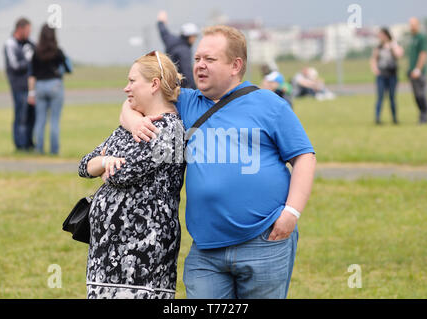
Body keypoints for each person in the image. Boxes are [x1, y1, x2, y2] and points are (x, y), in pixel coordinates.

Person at [120, 25, 316, 299]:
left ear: (235, 65)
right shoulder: (186, 102)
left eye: (209, 60)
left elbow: (304, 157)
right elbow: (135, 98)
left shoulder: (269, 104)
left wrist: (291, 213)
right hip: (207, 250)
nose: (199, 65)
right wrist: (135, 121)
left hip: (264, 240)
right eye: (198, 58)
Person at [78, 51, 186, 299]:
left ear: (154, 84)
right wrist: (105, 161)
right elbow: (85, 165)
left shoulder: (170, 130)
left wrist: (106, 165)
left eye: (132, 81)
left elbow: (122, 174)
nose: (126, 89)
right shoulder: (133, 125)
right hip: (106, 254)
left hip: (142, 254)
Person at [27, 24, 72, 155]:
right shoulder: (57, 51)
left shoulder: (36, 52)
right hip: (55, 85)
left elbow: (32, 74)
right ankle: (54, 151)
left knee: (40, 120)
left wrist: (31, 93)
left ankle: (39, 149)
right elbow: (68, 68)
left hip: (40, 86)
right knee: (54, 121)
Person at [4, 17, 35, 151]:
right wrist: (27, 60)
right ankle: (20, 146)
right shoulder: (10, 44)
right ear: (20, 29)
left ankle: (29, 143)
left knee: (31, 116)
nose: (29, 33)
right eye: (27, 31)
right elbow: (14, 65)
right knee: (21, 116)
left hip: (30, 87)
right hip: (18, 86)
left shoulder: (28, 43)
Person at [157, 10, 199, 89]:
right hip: (178, 87)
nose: (195, 39)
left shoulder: (171, 40)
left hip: (167, 82)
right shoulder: (185, 51)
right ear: (189, 36)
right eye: (194, 36)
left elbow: (163, 32)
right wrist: (195, 89)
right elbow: (187, 72)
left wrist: (160, 22)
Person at [370, 27, 404, 125]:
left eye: (382, 35)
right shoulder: (378, 47)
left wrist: (391, 47)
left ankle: (394, 118)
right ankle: (377, 118)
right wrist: (375, 69)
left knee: (392, 97)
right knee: (380, 97)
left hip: (392, 74)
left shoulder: (393, 45)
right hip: (382, 75)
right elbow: (373, 59)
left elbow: (399, 55)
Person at [408, 17, 427, 124]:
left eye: (413, 24)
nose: (411, 26)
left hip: (419, 73)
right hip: (411, 72)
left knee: (421, 95)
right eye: (410, 24)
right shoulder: (412, 38)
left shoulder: (421, 37)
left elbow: (423, 54)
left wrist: (418, 69)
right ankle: (421, 115)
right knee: (416, 96)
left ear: (417, 25)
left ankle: (424, 115)